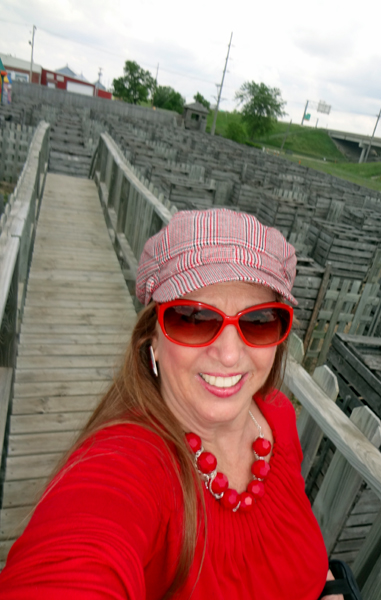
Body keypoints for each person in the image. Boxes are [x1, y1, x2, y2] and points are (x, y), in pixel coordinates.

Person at [0, 208, 342, 600]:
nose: (230, 355)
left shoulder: (277, 414)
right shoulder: (130, 462)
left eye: (258, 320)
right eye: (193, 318)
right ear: (152, 339)